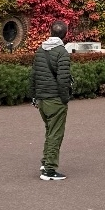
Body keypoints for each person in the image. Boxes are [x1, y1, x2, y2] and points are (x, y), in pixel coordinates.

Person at [28, 20, 72, 181]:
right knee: (55, 133)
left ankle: (45, 161)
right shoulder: (62, 52)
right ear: (65, 34)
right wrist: (65, 98)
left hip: (41, 99)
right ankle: (49, 170)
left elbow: (33, 75)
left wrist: (33, 96)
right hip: (55, 99)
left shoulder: (40, 50)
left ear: (50, 31)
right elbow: (63, 80)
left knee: (49, 130)